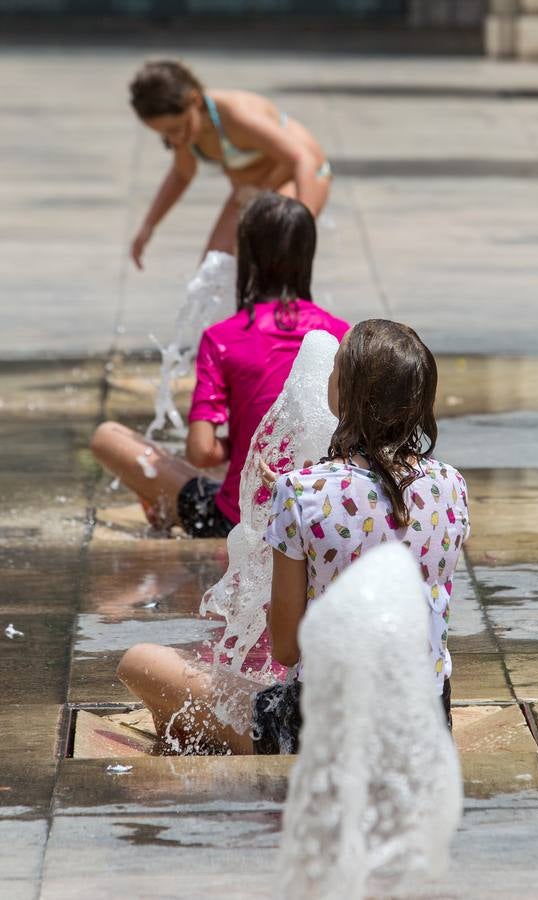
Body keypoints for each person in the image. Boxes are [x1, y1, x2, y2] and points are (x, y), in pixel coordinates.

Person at [116, 319, 470, 755]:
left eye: (336, 367)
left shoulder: (302, 493)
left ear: (348, 393)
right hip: (426, 723)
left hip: (321, 731)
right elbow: (383, 522)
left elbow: (285, 647)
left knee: (142, 663)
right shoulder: (451, 485)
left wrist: (289, 514)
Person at [91, 192, 348, 538]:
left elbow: (200, 452)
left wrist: (249, 440)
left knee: (107, 437)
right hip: (322, 512)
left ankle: (163, 509)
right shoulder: (340, 333)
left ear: (247, 256)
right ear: (308, 256)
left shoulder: (223, 337)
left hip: (237, 521)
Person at [129, 59, 332, 266]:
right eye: (163, 134)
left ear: (195, 100)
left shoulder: (237, 116)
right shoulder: (186, 131)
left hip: (298, 177)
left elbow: (303, 159)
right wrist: (148, 226)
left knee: (268, 256)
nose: (173, 140)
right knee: (214, 272)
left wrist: (303, 221)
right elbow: (182, 174)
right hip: (251, 193)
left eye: (174, 129)